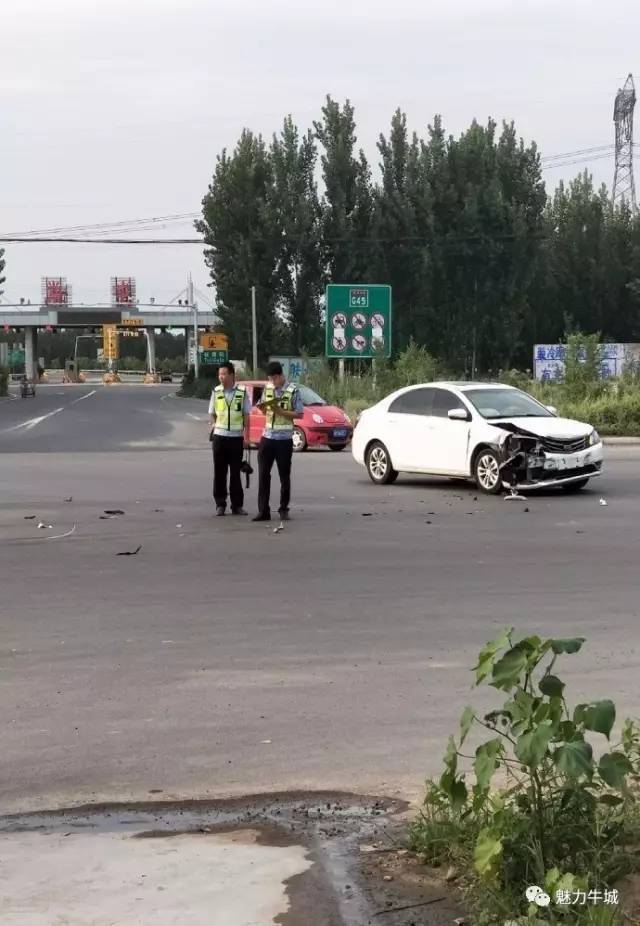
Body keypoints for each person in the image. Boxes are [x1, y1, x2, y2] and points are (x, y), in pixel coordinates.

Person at [252, 361, 304, 522]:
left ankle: (283, 509)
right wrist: (262, 408)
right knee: (263, 475)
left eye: (274, 379)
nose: (272, 382)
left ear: (281, 376)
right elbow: (261, 407)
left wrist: (281, 411)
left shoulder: (293, 390)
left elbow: (300, 414)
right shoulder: (267, 389)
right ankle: (263, 511)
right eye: (270, 379)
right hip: (267, 437)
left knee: (284, 475)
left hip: (284, 439)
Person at [208, 362, 252, 516]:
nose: (221, 377)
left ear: (232, 375)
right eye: (219, 374)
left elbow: (247, 415)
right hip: (219, 438)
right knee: (219, 472)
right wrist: (214, 424)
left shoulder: (242, 392)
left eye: (224, 374)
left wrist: (246, 436)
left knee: (235, 473)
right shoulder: (216, 391)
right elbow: (212, 412)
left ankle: (237, 505)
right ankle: (220, 504)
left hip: (236, 438)